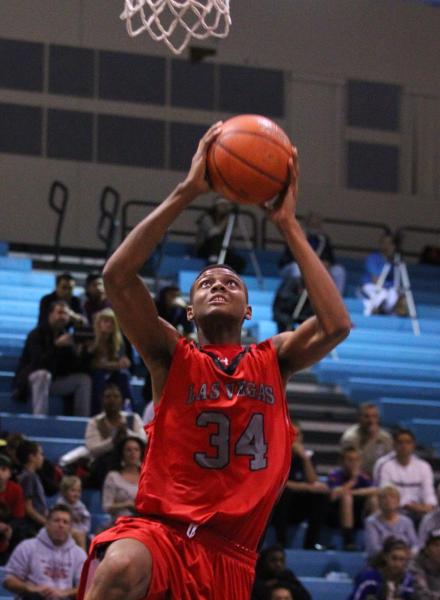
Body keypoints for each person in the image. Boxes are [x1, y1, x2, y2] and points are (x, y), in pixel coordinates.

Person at [78, 122, 351, 600]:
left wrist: (287, 223)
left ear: (248, 310)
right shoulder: (171, 356)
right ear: (189, 311)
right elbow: (117, 277)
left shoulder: (275, 358)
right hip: (160, 534)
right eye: (206, 283)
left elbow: (336, 325)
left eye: (230, 283)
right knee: (119, 565)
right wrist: (187, 191)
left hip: (231, 556)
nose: (218, 284)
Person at [13, 300, 92, 416]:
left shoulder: (66, 336)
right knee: (43, 375)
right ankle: (40, 419)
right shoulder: (36, 334)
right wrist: (56, 346)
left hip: (54, 382)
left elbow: (74, 368)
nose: (63, 317)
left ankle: (81, 422)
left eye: (66, 314)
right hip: (32, 381)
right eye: (59, 313)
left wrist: (81, 352)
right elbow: (37, 363)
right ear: (50, 314)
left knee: (84, 380)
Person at [3, 504, 87, 600]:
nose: (61, 525)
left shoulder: (79, 554)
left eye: (65, 522)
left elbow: (86, 587)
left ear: (70, 527)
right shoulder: (27, 547)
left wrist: (64, 593)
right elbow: (8, 580)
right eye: (56, 520)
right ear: (47, 523)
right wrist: (31, 588)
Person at [271, 423, 329, 549]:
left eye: (298, 435)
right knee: (284, 493)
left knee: (320, 496)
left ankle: (311, 543)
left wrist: (305, 459)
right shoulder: (277, 454)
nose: (295, 439)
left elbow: (313, 481)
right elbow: (279, 482)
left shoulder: (307, 456)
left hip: (299, 506)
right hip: (279, 506)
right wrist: (306, 487)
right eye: (292, 434)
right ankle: (281, 541)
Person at [83, 384, 146, 489]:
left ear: (122, 400)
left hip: (131, 459)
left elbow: (143, 441)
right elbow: (92, 449)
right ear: (102, 400)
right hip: (104, 463)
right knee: (106, 463)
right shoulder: (95, 422)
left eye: (116, 396)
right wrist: (113, 441)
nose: (112, 400)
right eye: (108, 397)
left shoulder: (133, 418)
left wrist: (126, 433)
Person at [374, 429, 437, 525]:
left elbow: (429, 494)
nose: (404, 446)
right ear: (394, 445)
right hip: (394, 510)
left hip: (419, 511)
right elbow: (384, 493)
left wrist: (428, 506)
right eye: (400, 442)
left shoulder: (424, 466)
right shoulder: (384, 465)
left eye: (408, 442)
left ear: (413, 445)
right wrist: (407, 505)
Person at [83, 307, 133, 413]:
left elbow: (124, 360)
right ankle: (97, 413)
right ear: (99, 323)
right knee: (98, 377)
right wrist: (115, 365)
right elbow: (94, 364)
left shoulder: (119, 341)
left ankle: (128, 410)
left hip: (111, 373)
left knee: (124, 375)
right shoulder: (90, 339)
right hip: (93, 373)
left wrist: (125, 362)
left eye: (112, 322)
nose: (109, 324)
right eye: (105, 321)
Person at [327, 446, 378, 550]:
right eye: (350, 459)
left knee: (373, 500)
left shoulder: (363, 476)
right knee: (347, 498)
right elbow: (333, 496)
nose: (353, 463)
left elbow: (376, 490)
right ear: (342, 461)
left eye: (356, 459)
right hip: (337, 514)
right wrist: (353, 481)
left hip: (359, 513)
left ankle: (376, 536)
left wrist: (353, 492)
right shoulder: (335, 474)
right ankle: (348, 540)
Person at [348, 537, 414, 600]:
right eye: (394, 558)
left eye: (401, 559)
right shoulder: (369, 579)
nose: (397, 564)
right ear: (386, 557)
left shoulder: (408, 581)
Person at [194, 196, 246, 273]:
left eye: (225, 206)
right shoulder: (207, 218)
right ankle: (213, 262)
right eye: (221, 205)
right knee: (217, 238)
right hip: (205, 248)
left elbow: (232, 239)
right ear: (216, 206)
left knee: (239, 262)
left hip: (222, 250)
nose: (223, 208)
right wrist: (226, 219)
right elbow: (214, 232)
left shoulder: (230, 220)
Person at [365, 484, 418, 558]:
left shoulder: (407, 522)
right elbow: (373, 548)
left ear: (398, 502)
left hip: (405, 559)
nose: (388, 500)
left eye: (392, 497)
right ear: (379, 502)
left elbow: (415, 545)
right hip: (380, 560)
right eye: (384, 497)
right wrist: (393, 556)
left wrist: (409, 553)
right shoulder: (371, 522)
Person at [341, 403, 393, 477]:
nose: (371, 420)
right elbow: (350, 467)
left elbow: (390, 464)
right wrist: (367, 440)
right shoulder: (350, 438)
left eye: (374, 416)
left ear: (378, 418)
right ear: (359, 418)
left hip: (379, 479)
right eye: (366, 416)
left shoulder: (386, 438)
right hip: (354, 478)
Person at [360, 232, 403, 316]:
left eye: (389, 243)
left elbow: (397, 282)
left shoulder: (395, 260)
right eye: (384, 242)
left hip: (387, 288)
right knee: (382, 294)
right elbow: (376, 280)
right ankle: (373, 310)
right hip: (370, 286)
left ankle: (384, 311)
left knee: (394, 295)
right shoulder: (372, 258)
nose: (386, 246)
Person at [102, 437, 144, 521]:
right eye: (128, 450)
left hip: (143, 522)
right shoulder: (113, 477)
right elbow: (107, 506)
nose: (133, 453)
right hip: (120, 523)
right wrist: (127, 504)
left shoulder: (146, 477)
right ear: (122, 454)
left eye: (136, 450)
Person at [16, 441, 47, 535]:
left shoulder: (30, 476)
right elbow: (28, 508)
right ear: (31, 457)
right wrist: (47, 524)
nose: (43, 458)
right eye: (41, 454)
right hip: (33, 526)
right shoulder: (29, 477)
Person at [0, 454, 25, 564]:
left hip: (8, 526)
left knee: (20, 531)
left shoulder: (16, 489)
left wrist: (8, 528)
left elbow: (18, 516)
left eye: (3, 469)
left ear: (9, 473)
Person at [56, 476, 91, 550]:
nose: (76, 494)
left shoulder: (80, 505)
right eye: (73, 490)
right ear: (64, 492)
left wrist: (84, 530)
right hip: (65, 531)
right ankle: (83, 559)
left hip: (81, 531)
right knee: (78, 536)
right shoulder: (60, 505)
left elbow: (86, 519)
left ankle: (83, 558)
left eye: (79, 491)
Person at [409, 528, 440, 599]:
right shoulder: (416, 565)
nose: (439, 549)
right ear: (426, 549)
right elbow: (421, 595)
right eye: (436, 545)